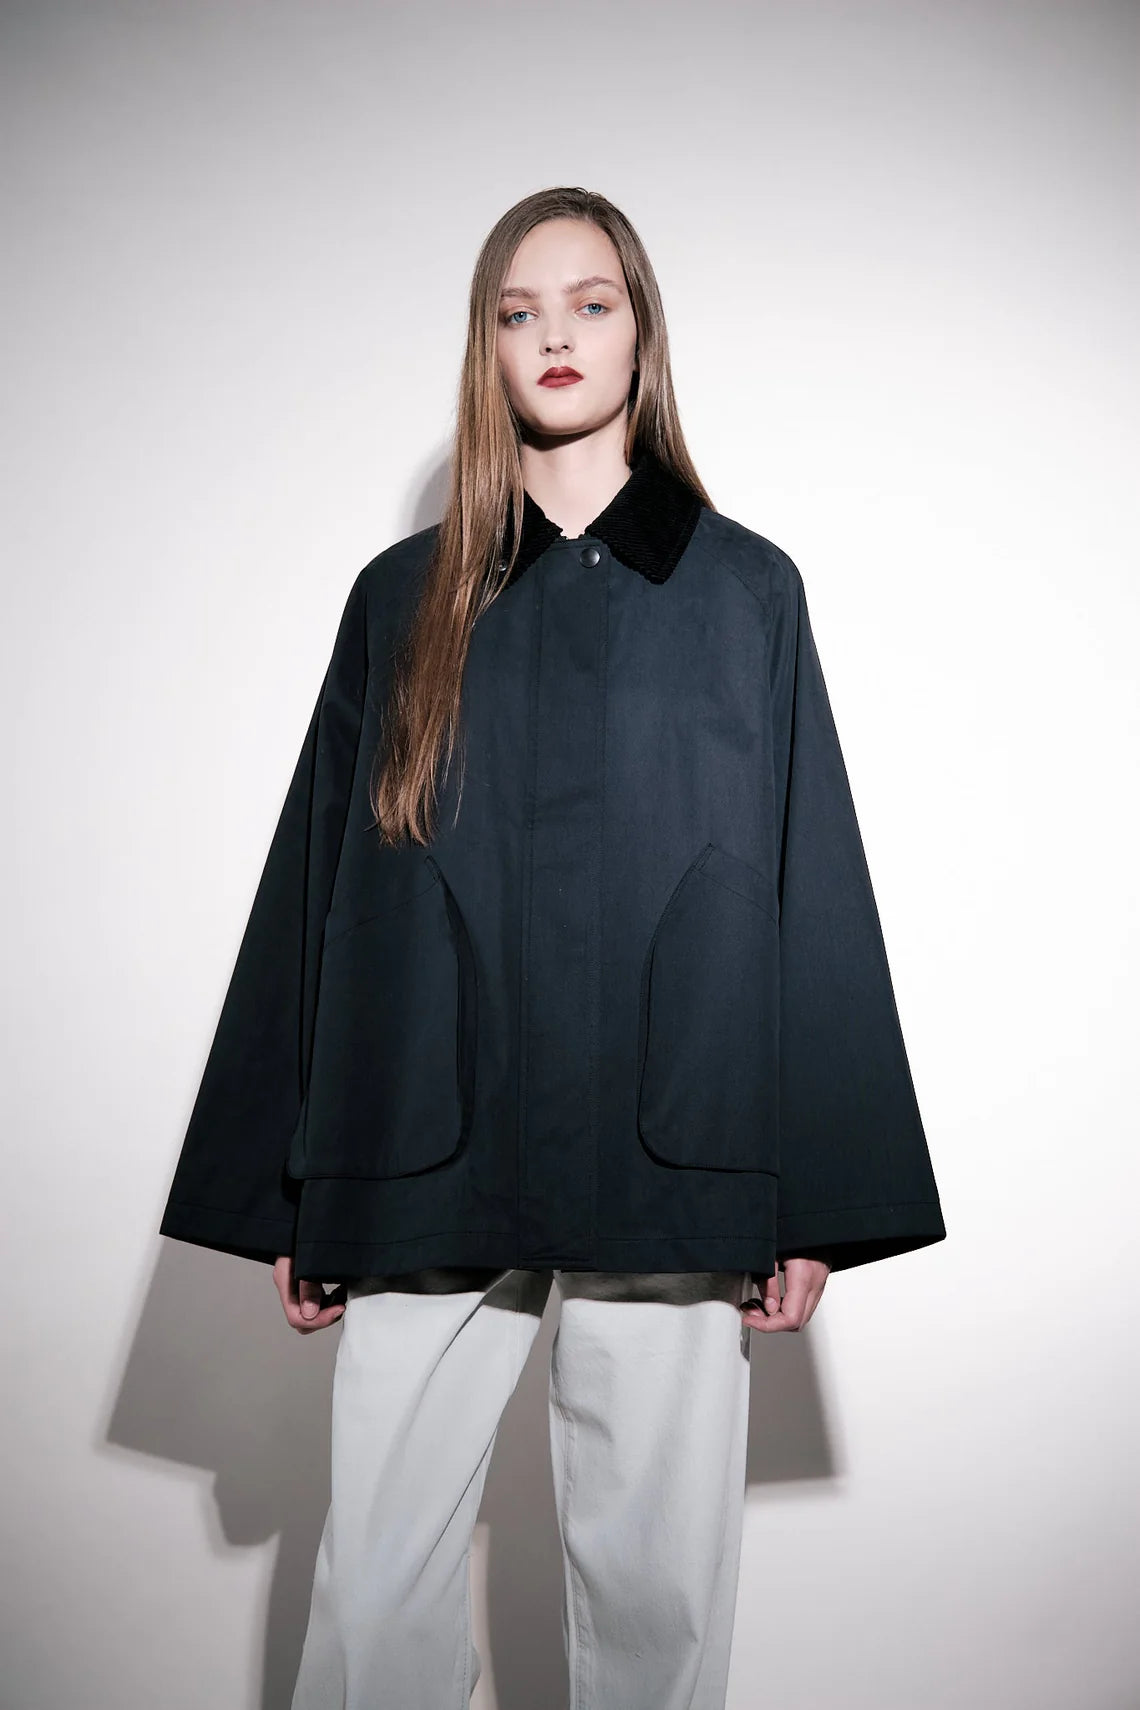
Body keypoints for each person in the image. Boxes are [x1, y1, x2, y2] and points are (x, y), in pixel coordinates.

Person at [159, 186, 946, 1708]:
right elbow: (317, 878)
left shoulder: (746, 592)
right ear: (488, 345)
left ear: (642, 332)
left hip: (673, 1139)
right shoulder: (403, 597)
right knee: (376, 1575)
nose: (555, 336)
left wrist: (817, 1200)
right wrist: (287, 1188)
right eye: (519, 311)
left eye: (590, 302)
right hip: (422, 1138)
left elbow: (812, 879)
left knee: (658, 1586)